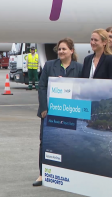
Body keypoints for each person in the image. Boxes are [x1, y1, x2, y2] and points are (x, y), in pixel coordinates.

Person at [34, 38, 82, 187]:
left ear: (71, 51)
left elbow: (82, 88)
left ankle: (66, 173)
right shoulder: (49, 66)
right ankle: (42, 174)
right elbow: (41, 86)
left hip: (69, 111)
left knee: (68, 142)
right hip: (50, 112)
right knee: (46, 142)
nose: (61, 52)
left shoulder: (79, 68)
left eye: (64, 49)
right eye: (59, 49)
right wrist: (43, 108)